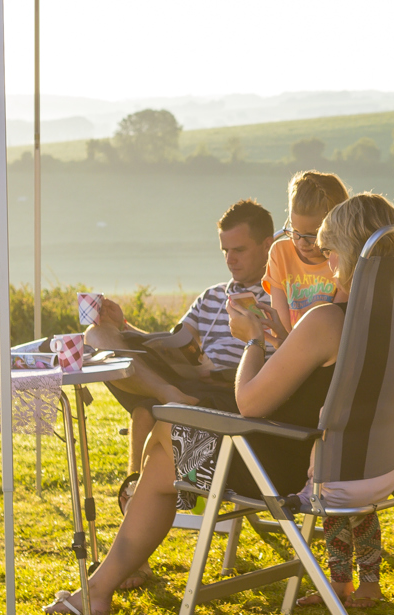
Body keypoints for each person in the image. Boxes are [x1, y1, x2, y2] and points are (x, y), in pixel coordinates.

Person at [71, 199, 277, 595]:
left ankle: (120, 568)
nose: (230, 260)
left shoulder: (277, 298)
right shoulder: (212, 296)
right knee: (97, 336)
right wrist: (126, 326)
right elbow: (172, 342)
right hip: (187, 386)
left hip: (230, 394)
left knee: (149, 416)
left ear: (267, 244)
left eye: (240, 250)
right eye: (225, 251)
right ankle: (168, 392)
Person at [236, 193, 394, 609]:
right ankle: (362, 585)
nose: (327, 263)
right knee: (350, 503)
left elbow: (248, 404)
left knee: (332, 498)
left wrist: (253, 340)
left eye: (329, 252)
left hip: (333, 476)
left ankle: (342, 585)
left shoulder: (327, 319)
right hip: (384, 467)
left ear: (346, 256)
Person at [263, 171, 349, 329]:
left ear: (337, 227)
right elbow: (280, 326)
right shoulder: (280, 253)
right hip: (289, 347)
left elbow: (332, 326)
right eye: (295, 231)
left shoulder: (344, 260)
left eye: (312, 235)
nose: (301, 242)